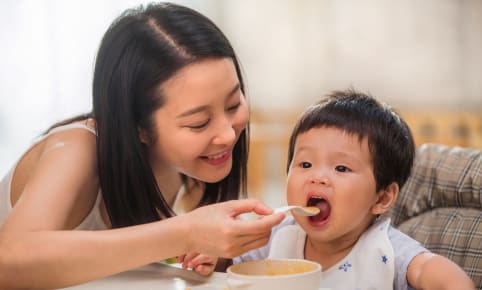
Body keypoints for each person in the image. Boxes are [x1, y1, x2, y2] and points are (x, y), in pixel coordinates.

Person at [0, 2, 285, 289]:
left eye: (234, 104)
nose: (226, 134)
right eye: (198, 122)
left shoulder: (189, 164)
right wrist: (184, 233)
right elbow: (7, 261)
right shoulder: (76, 149)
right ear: (138, 127)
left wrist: (209, 252)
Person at [234, 90, 475, 289]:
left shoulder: (384, 249)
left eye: (341, 168)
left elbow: (428, 269)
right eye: (305, 164)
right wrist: (213, 257)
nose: (317, 177)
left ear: (382, 198)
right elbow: (231, 268)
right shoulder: (279, 236)